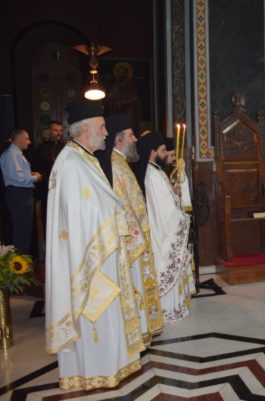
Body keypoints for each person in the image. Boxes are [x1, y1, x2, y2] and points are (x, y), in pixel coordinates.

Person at [45, 102, 145, 390]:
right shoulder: (71, 164)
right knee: (95, 314)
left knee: (108, 314)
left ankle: (111, 365)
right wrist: (115, 221)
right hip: (89, 259)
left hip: (104, 252)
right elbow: (79, 217)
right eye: (101, 127)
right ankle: (94, 370)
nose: (106, 132)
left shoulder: (84, 159)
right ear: (85, 129)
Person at [95, 114, 164, 344]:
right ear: (118, 140)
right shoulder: (114, 166)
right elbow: (122, 208)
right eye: (131, 135)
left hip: (138, 239)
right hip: (131, 242)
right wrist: (138, 239)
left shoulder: (121, 163)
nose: (135, 139)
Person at [135, 131, 193, 323]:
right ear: (152, 152)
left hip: (163, 228)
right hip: (161, 231)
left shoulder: (157, 171)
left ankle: (174, 307)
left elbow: (167, 199)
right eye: (162, 150)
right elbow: (165, 210)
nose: (165, 153)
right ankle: (167, 309)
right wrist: (182, 219)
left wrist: (175, 193)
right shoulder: (151, 174)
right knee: (164, 262)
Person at [0, 129, 41, 253]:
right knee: (21, 231)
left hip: (21, 194)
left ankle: (22, 260)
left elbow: (19, 174)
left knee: (24, 231)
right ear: (18, 139)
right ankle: (20, 261)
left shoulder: (16, 153)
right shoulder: (12, 154)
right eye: (26, 138)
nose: (29, 142)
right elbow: (17, 177)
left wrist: (31, 174)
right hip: (19, 194)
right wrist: (35, 178)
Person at [33, 120, 65, 225]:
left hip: (63, 188)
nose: (59, 133)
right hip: (47, 189)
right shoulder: (41, 148)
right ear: (49, 131)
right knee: (48, 218)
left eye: (61, 130)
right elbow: (37, 169)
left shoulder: (66, 148)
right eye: (55, 130)